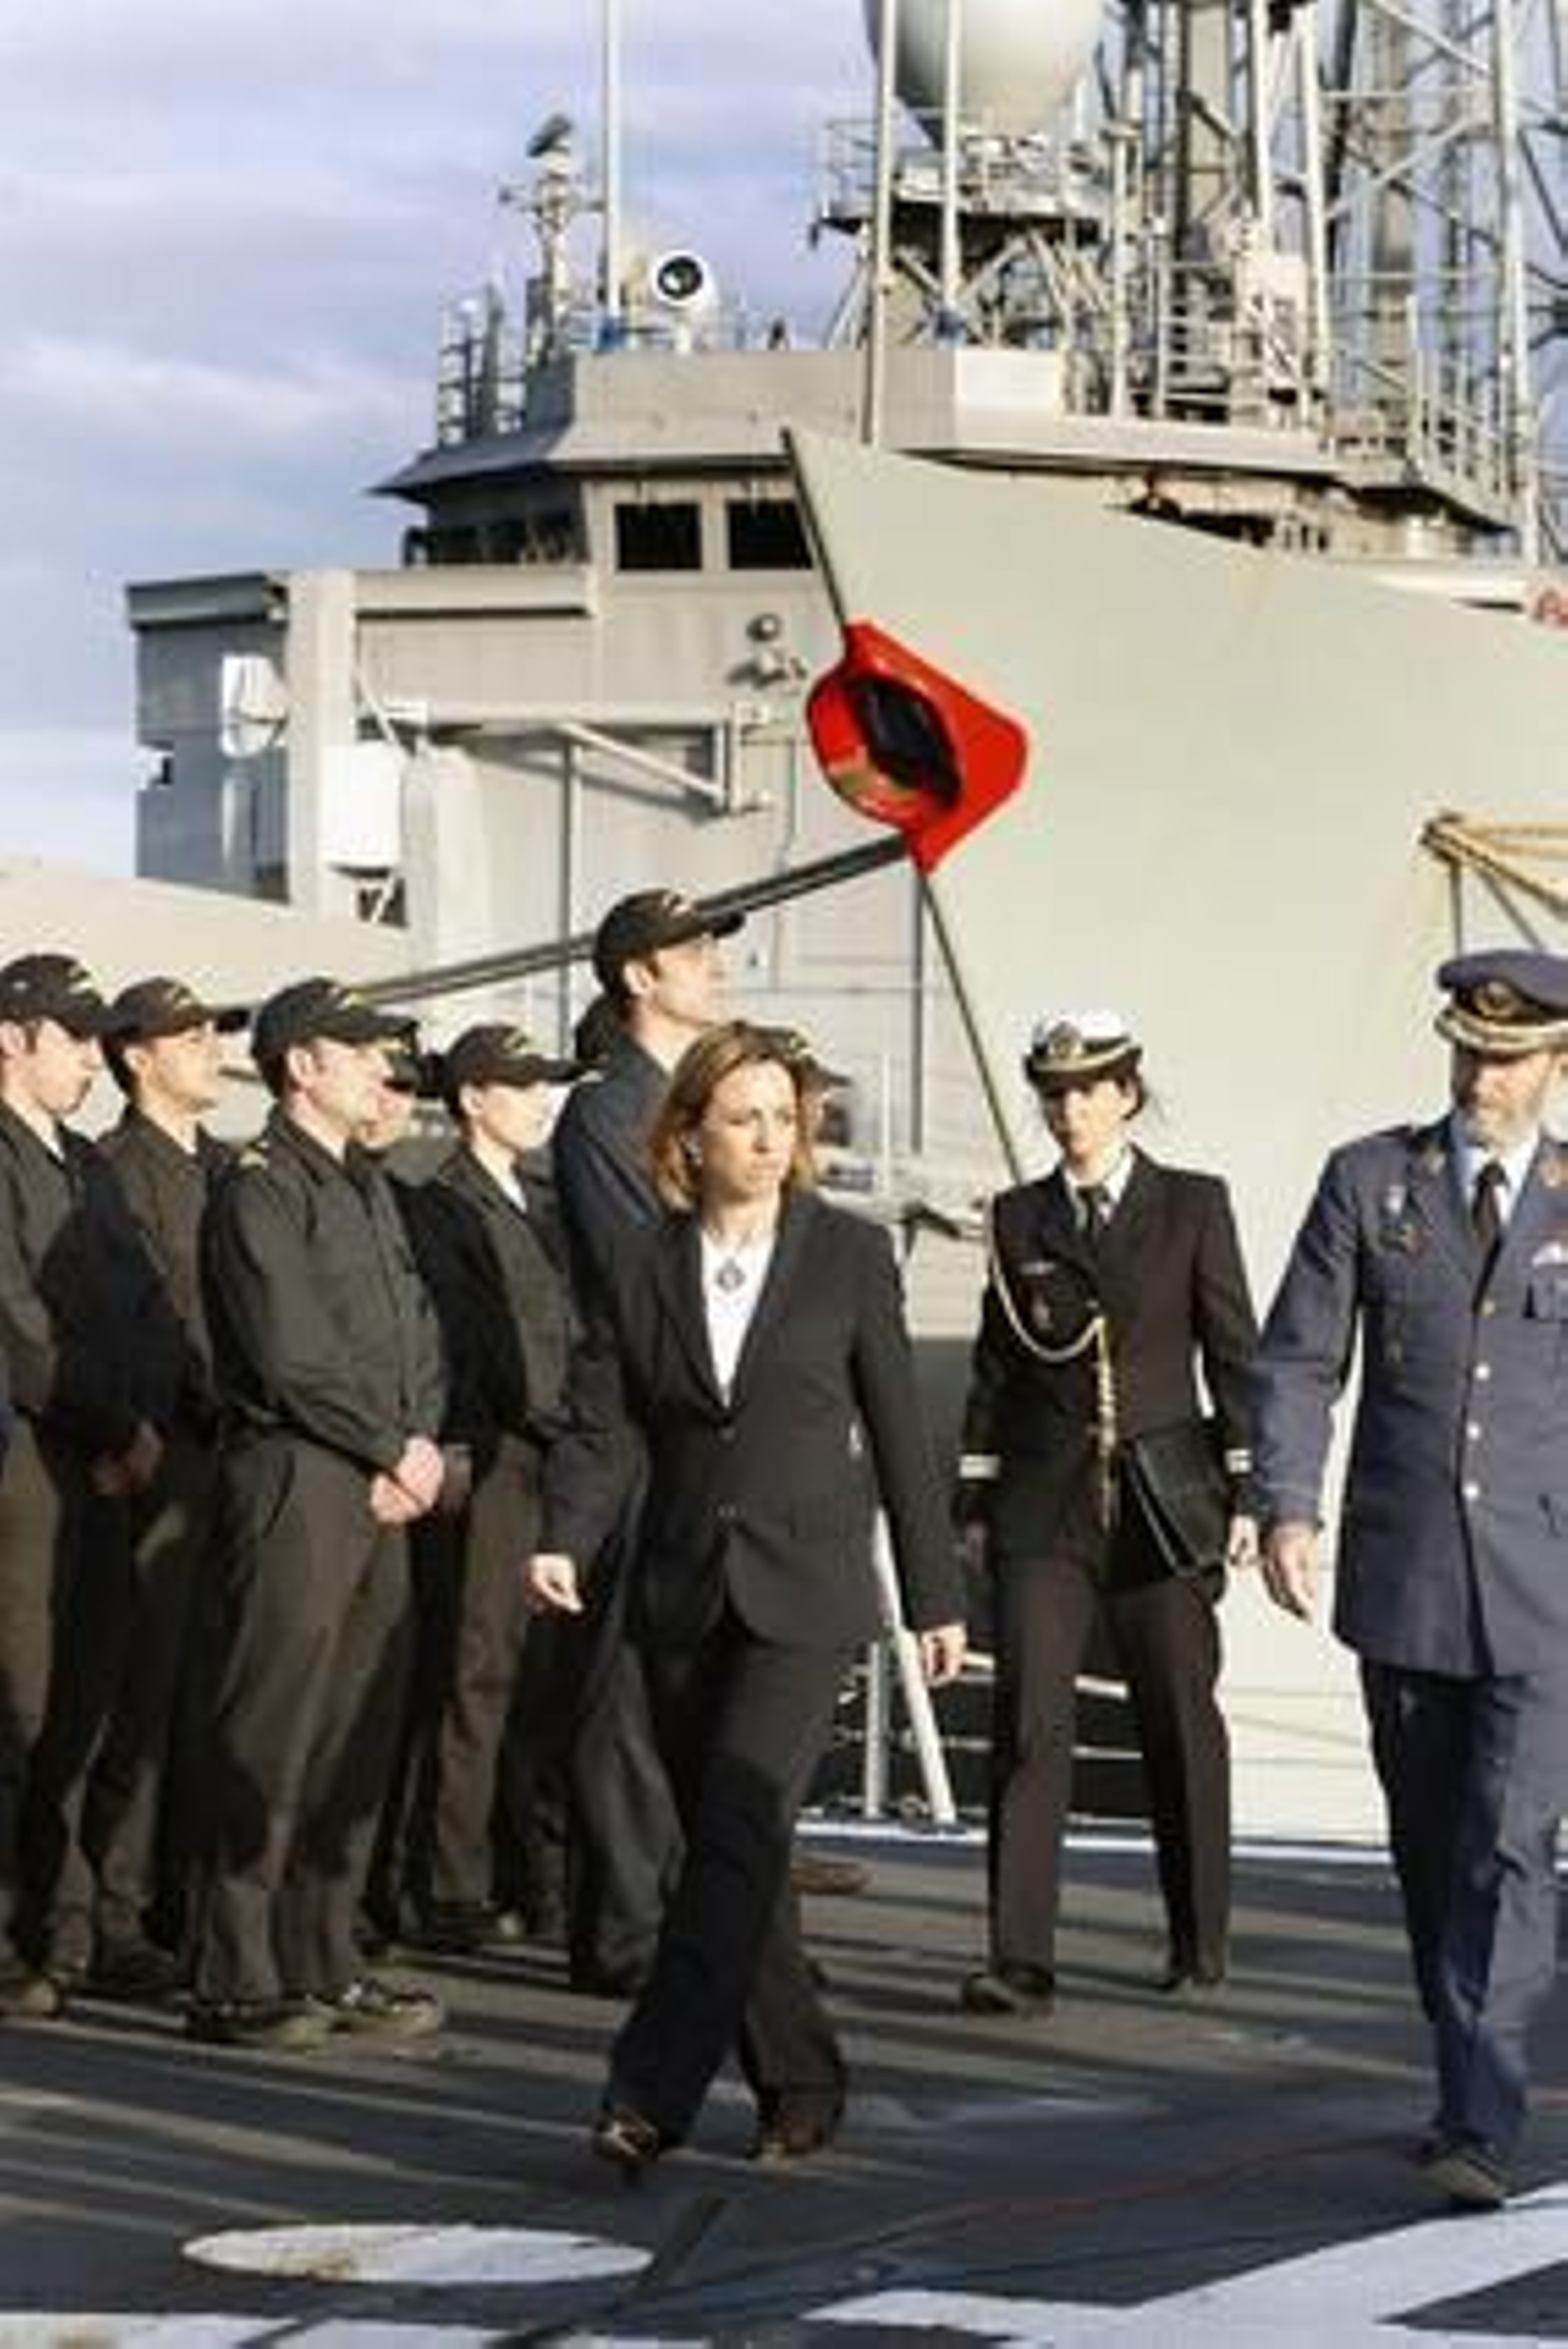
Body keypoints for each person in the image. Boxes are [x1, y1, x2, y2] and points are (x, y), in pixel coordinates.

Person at [527, 1021, 965, 2173]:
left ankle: (648, 2092)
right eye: (744, 1119)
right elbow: (604, 1419)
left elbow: (902, 1435)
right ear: (689, 1135)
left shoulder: (849, 1256)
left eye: (786, 1117)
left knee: (732, 1828)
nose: (770, 1140)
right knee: (737, 1856)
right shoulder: (639, 1262)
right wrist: (565, 1536)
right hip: (679, 1586)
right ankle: (802, 2080)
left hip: (804, 1590)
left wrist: (935, 1596)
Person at [1254, 949, 1568, 2212]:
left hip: (1546, 1584)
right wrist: (1283, 1502)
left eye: (1507, 1058)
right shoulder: (1370, 1182)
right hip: (1406, 1578)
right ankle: (1460, 2079)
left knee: (1510, 1847)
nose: (1482, 1076)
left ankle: (1482, 2120)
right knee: (1431, 1850)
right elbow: (1297, 1358)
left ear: (1555, 1064)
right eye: (1468, 1053)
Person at [956, 1011, 1257, 2018]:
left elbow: (1233, 1356)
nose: (1069, 1109)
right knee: (1030, 1723)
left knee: (1178, 1714)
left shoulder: (1190, 1207)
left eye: (1088, 1090)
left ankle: (1197, 1934)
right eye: (1054, 1092)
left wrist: (1251, 1489)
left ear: (1127, 1094)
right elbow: (996, 1370)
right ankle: (1019, 1957)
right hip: (1044, 1505)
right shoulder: (1015, 1219)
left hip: (1162, 1501)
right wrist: (973, 1499)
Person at [186, 977, 448, 2050]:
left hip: (383, 1484)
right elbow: (290, 1351)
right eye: (357, 1050)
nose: (378, 1067)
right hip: (299, 1477)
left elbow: (415, 1327)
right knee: (271, 1724)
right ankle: (233, 1973)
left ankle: (325, 1955)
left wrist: (418, 1445)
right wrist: (391, 1446)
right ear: (302, 1066)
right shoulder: (259, 1188)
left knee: (355, 1730)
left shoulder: (365, 1186)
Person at [550, 888, 743, 1993]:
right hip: (630, 1423)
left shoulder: (694, 1102)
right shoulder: (605, 1114)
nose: (710, 964)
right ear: (636, 977)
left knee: (682, 1670)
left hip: (697, 1422)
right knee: (621, 1685)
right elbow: (651, 1267)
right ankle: (622, 1928)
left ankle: (670, 1899)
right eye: (690, 951)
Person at [0, 954, 177, 2016]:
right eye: (71, 1037)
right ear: (14, 1040)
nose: (86, 1058)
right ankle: (18, 1930)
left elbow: (146, 1299)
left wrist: (140, 1424)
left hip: (112, 1458)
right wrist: (113, 1423)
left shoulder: (85, 1164)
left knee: (91, 1703)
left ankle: (70, 1928)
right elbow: (17, 1321)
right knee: (20, 1701)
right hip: (33, 1454)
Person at [394, 1023, 582, 1949]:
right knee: (478, 1670)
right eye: (519, 1083)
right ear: (471, 1098)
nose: (539, 1097)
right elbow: (467, 1342)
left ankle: (529, 1865)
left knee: (542, 1677)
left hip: (557, 1459)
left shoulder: (544, 1198)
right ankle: (450, 1877)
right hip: (499, 1454)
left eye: (543, 1082)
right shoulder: (443, 1202)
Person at [85, 975, 246, 1991]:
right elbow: (126, 1312)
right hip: (165, 1449)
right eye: (186, 1036)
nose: (207, 1049)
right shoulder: (112, 1171)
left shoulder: (235, 1169)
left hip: (243, 1455)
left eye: (210, 1031)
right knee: (142, 1692)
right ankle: (117, 1915)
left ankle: (193, 1902)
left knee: (219, 1693)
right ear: (137, 1055)